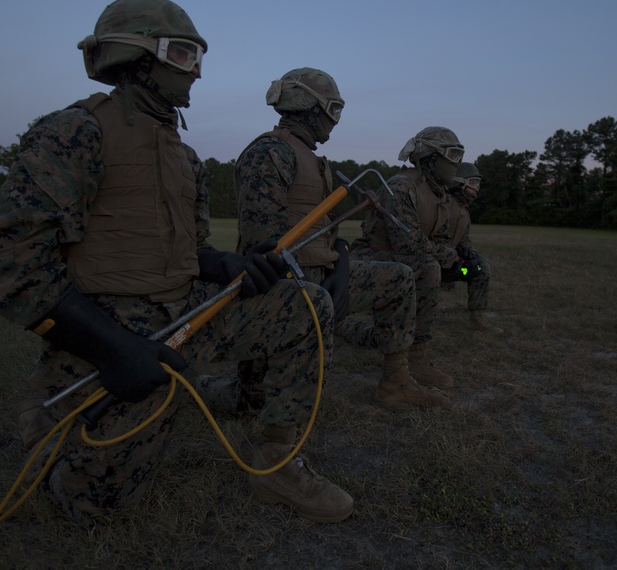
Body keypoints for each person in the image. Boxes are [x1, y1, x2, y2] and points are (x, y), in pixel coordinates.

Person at [0, 0, 352, 523]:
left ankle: (278, 464)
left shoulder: (185, 155)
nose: (196, 73)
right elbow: (12, 272)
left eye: (200, 58)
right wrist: (114, 350)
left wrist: (228, 266)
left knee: (305, 307)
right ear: (136, 56)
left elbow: (191, 251)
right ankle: (53, 409)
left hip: (183, 312)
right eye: (183, 54)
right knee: (92, 509)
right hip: (113, 325)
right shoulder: (73, 132)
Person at [198, 68, 449, 412]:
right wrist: (315, 282)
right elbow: (263, 247)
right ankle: (208, 389)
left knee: (399, 279)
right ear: (310, 108)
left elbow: (323, 230)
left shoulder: (311, 158)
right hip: (283, 284)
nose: (335, 122)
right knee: (252, 401)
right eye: (333, 110)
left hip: (319, 272)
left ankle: (396, 382)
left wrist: (340, 263)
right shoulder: (271, 152)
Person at [349, 126, 468, 389]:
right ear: (431, 158)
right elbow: (408, 243)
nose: (457, 163)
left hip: (398, 257)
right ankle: (414, 357)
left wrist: (455, 258)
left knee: (434, 265)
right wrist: (446, 256)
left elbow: (437, 240)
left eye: (460, 154)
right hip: (369, 256)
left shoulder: (440, 195)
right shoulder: (402, 187)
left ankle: (405, 348)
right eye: (452, 154)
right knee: (427, 268)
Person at [439, 162, 503, 333]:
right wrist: (452, 255)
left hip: (450, 265)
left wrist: (467, 254)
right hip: (430, 266)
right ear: (458, 182)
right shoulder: (440, 205)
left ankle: (478, 318)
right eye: (473, 183)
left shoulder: (463, 211)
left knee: (479, 266)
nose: (477, 189)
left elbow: (464, 241)